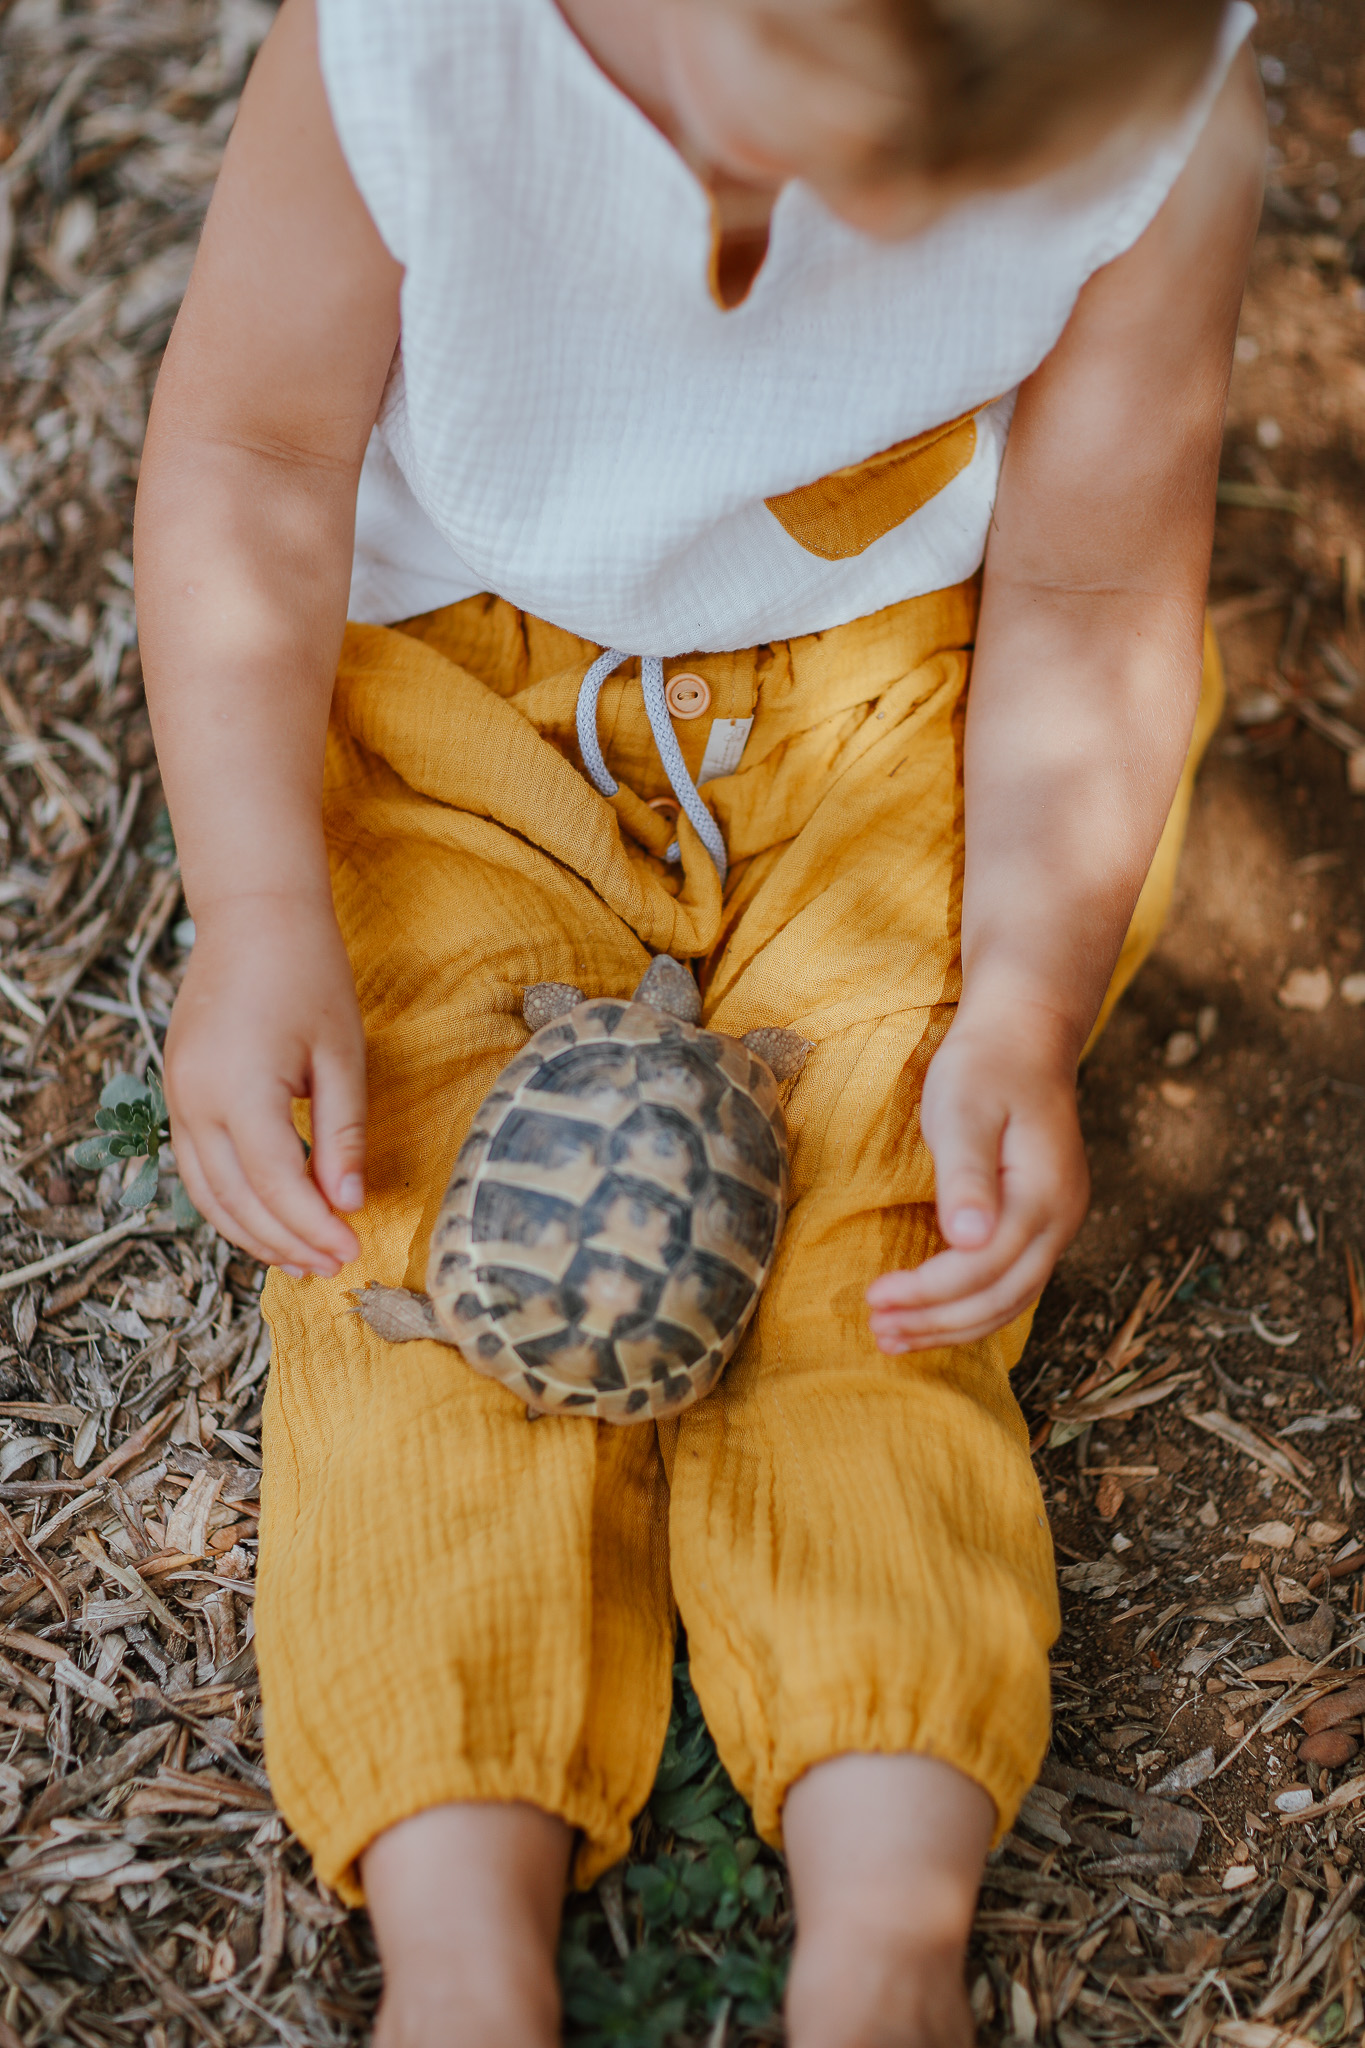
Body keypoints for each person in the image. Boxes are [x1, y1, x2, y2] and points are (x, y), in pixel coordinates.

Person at [134, 0, 1264, 2039]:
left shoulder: (1143, 107)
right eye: (825, 165)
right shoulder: (414, 47)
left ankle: (884, 1922)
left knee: (886, 1248)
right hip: (453, 693)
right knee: (408, 1238)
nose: (856, 251)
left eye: (933, 204)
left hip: (883, 693)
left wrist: (1015, 994)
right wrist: (260, 905)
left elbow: (1091, 598)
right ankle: (460, 1940)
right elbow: (254, 447)